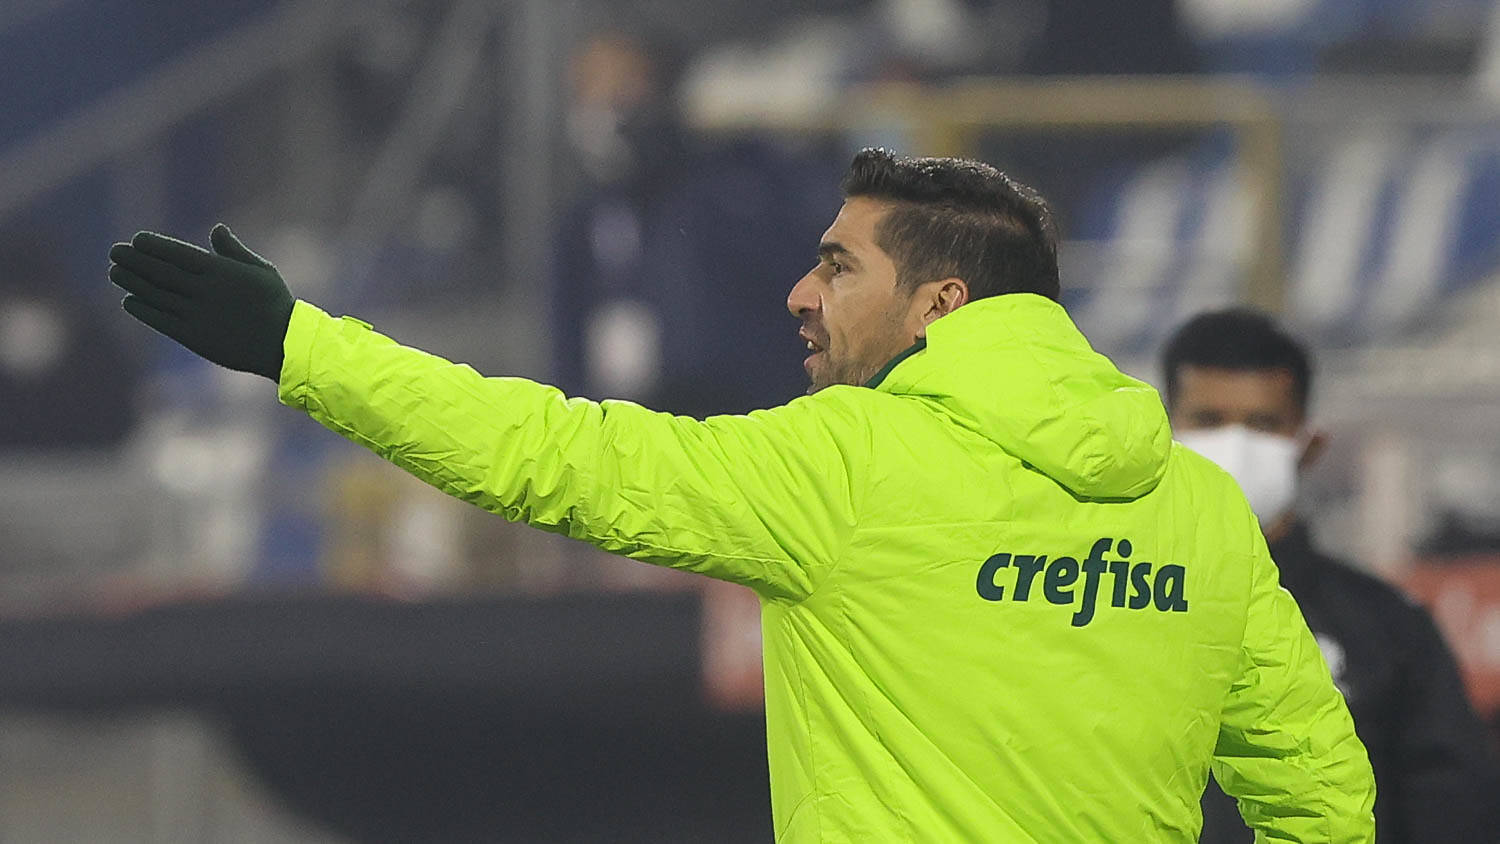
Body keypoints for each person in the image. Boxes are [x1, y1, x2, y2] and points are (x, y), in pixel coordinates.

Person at [106, 149, 1375, 842]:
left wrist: (304, 349)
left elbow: (550, 453)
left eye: (836, 266)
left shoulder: (845, 466)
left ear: (942, 303)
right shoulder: (1199, 510)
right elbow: (1319, 790)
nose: (797, 295)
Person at [1163, 308, 1500, 843]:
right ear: (1163, 432)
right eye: (1208, 420)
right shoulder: (1110, 599)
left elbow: (1453, 813)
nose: (1235, 446)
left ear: (1308, 444)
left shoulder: (1389, 629)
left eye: (1262, 424)